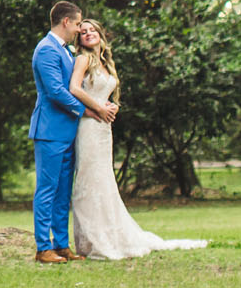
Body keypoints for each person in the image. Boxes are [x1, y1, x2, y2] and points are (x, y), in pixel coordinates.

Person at [68, 19, 208, 259]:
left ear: (101, 35)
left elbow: (102, 91)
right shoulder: (83, 60)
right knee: (88, 183)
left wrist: (111, 107)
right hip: (89, 126)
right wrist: (99, 109)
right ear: (79, 39)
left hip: (104, 129)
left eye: (93, 31)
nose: (88, 34)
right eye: (83, 32)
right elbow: (74, 89)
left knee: (105, 182)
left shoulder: (105, 63)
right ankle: (91, 243)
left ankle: (111, 236)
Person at [29, 1, 93, 264]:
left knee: (63, 192)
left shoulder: (65, 50)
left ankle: (62, 245)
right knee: (47, 190)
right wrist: (86, 110)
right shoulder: (46, 49)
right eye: (78, 24)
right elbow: (55, 91)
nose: (79, 29)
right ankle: (43, 247)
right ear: (66, 22)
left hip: (67, 132)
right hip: (50, 131)